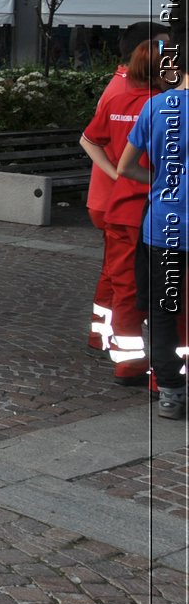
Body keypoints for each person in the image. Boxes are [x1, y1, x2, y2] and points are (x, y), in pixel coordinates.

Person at [80, 37, 171, 384]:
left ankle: (128, 363)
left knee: (123, 287)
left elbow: (88, 140)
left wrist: (115, 172)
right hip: (156, 212)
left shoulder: (117, 99)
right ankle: (164, 375)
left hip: (120, 209)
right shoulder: (165, 105)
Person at [115, 51, 189, 421]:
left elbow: (126, 166)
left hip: (164, 227)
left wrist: (160, 182)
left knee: (163, 311)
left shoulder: (158, 106)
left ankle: (170, 394)